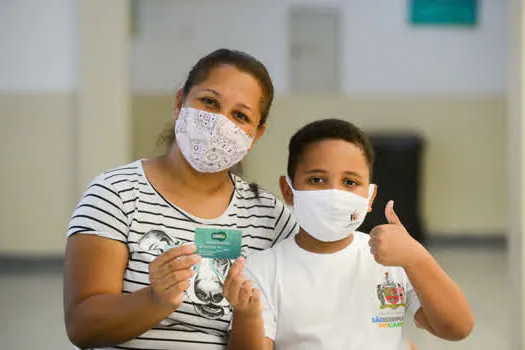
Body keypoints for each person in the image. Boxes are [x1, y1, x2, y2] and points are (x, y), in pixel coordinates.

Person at [63, 49, 298, 350]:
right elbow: (82, 325)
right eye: (209, 102)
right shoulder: (115, 193)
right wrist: (154, 299)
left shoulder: (269, 218)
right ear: (179, 103)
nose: (219, 123)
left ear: (256, 134)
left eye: (240, 116)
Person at [224, 118, 474, 350]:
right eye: (317, 180)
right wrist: (247, 315)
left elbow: (457, 328)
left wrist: (418, 258)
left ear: (370, 197)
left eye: (350, 183)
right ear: (289, 191)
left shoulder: (396, 261)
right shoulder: (261, 269)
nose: (334, 194)